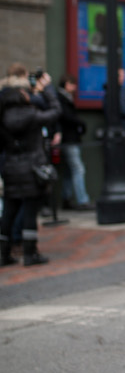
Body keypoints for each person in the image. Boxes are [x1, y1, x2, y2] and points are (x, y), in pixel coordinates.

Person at [0, 67, 60, 266]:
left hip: (10, 166)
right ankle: (29, 252)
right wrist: (46, 89)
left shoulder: (3, 118)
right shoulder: (31, 114)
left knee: (9, 210)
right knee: (30, 210)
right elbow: (55, 111)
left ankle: (3, 253)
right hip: (32, 167)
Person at [57, 75, 93, 210]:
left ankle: (67, 197)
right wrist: (81, 123)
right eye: (72, 84)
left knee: (69, 170)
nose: (75, 88)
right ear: (66, 84)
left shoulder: (65, 98)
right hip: (68, 139)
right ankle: (82, 200)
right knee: (78, 168)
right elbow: (66, 117)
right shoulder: (61, 98)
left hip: (70, 138)